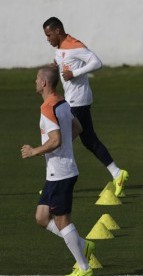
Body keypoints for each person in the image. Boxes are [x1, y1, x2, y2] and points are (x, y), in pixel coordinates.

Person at [42, 17, 128, 197]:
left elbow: (97, 62)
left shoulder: (75, 45)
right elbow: (63, 61)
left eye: (49, 35)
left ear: (58, 31)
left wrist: (75, 73)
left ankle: (54, 185)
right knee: (89, 140)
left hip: (77, 101)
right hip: (74, 99)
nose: (48, 39)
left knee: (59, 141)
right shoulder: (60, 48)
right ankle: (117, 173)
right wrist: (56, 66)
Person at [21, 66, 94, 276]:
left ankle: (84, 268)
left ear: (44, 83)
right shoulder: (62, 103)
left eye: (36, 79)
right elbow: (78, 128)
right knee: (42, 217)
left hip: (61, 173)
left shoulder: (47, 108)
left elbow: (55, 140)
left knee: (62, 221)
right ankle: (83, 245)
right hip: (57, 172)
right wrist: (62, 147)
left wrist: (34, 151)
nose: (34, 82)